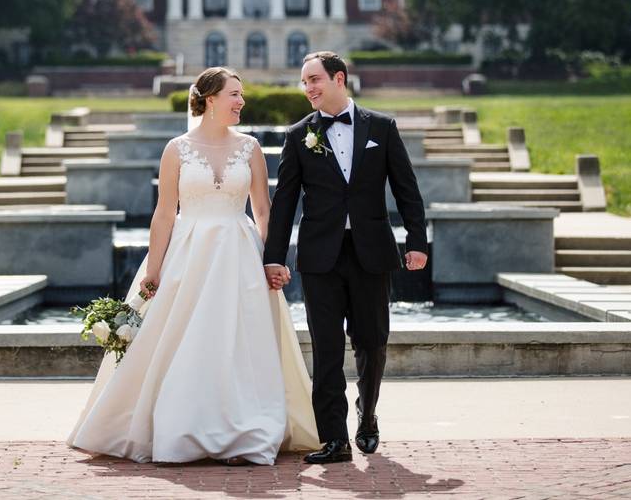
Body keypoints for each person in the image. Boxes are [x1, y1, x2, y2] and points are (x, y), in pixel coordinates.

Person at [68, 67, 318, 465]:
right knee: (186, 338)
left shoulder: (251, 148)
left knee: (239, 340)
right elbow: (164, 214)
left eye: (241, 95)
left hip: (239, 251)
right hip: (189, 252)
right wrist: (153, 269)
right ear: (210, 99)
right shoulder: (176, 149)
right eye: (234, 94)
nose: (241, 101)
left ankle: (243, 428)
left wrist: (273, 259)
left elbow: (264, 210)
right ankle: (181, 425)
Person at [264, 51, 428, 464]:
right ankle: (334, 438)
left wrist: (417, 242)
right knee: (327, 347)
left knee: (373, 343)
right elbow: (284, 202)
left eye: (314, 80)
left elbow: (406, 189)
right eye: (304, 82)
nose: (308, 88)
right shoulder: (298, 135)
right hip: (320, 257)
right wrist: (274, 257)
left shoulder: (382, 128)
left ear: (339, 78)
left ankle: (367, 414)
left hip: (371, 252)